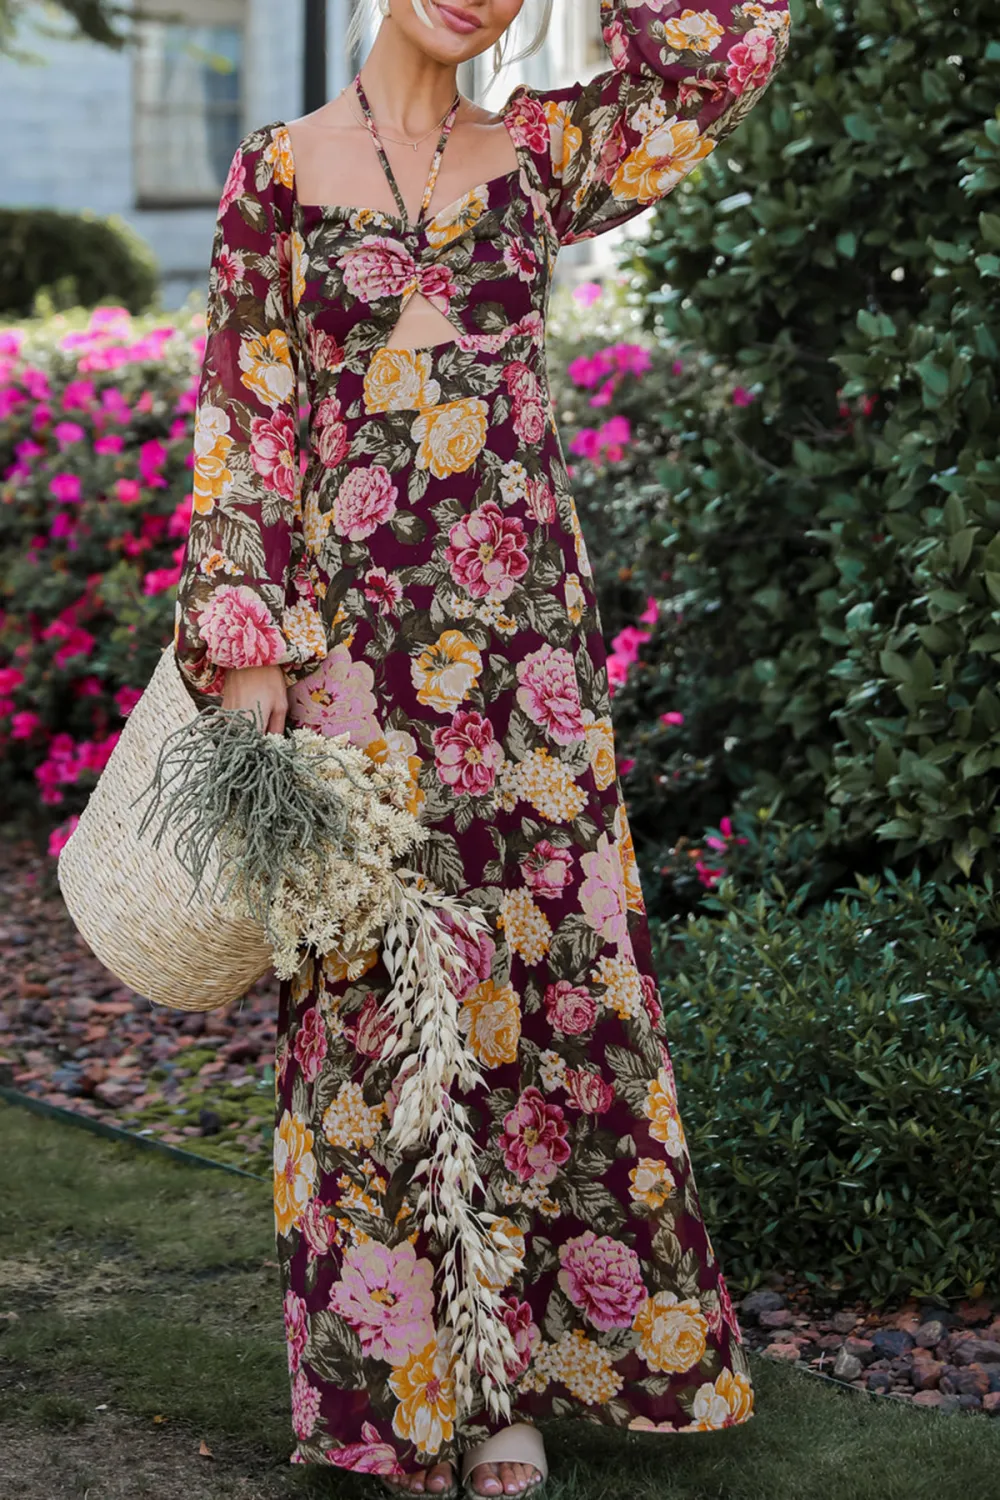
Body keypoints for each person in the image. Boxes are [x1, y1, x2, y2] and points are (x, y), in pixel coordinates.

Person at [173, 1, 791, 1495]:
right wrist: (252, 660)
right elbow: (248, 419)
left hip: (527, 665)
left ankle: (520, 1379)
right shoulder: (280, 171)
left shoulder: (547, 147)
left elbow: (734, 48)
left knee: (548, 990)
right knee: (385, 1015)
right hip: (352, 671)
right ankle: (425, 1388)